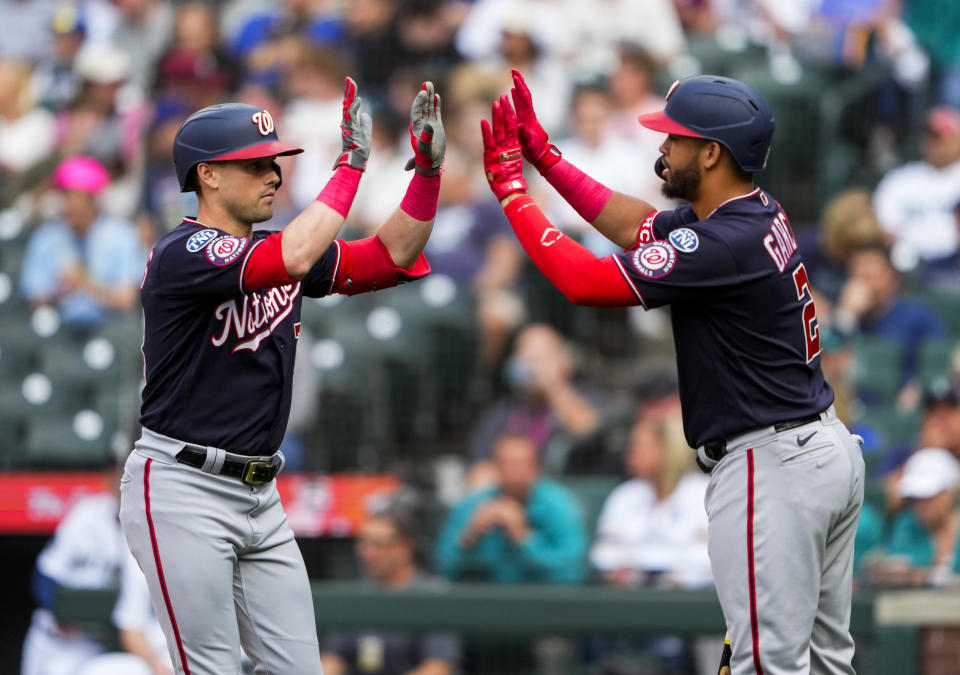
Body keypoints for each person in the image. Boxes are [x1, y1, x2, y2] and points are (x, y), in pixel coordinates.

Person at [481, 70, 864, 674]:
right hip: (816, 449)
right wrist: (546, 161)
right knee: (822, 664)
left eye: (675, 138)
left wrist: (511, 191)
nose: (662, 147)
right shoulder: (747, 213)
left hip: (774, 464)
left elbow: (584, 281)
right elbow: (637, 226)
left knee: (766, 666)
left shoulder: (724, 241)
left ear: (712, 153)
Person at [118, 77, 445, 674]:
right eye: (255, 165)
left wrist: (424, 176)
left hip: (260, 493)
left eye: (275, 162)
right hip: (183, 485)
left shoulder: (276, 245)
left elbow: (392, 255)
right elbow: (290, 258)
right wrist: (351, 165)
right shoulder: (182, 252)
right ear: (207, 175)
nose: (273, 174)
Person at [321, 506, 462, 675]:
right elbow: (333, 657)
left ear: (404, 548)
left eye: (378, 545)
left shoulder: (431, 595)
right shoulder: (357, 596)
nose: (368, 553)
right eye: (364, 544)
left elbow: (439, 667)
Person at [436, 434, 587, 583]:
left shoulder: (559, 505)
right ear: (494, 467)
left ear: (537, 468)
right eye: (506, 463)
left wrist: (524, 537)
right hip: (486, 600)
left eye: (521, 463)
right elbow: (444, 568)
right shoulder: (472, 506)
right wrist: (470, 536)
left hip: (543, 602)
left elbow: (573, 573)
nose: (514, 470)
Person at [591, 404, 712, 589]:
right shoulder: (625, 494)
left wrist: (676, 578)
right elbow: (603, 553)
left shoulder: (703, 493)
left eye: (638, 446)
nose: (630, 454)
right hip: (631, 598)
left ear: (667, 448)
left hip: (690, 600)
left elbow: (709, 558)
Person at [467, 323, 603, 485]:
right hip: (513, 495)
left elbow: (588, 431)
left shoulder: (587, 397)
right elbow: (479, 472)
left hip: (567, 492)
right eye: (524, 357)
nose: (530, 365)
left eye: (539, 358)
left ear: (565, 362)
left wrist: (554, 385)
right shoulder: (500, 413)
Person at [21, 466, 126, 675]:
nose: (120, 485)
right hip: (49, 637)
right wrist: (60, 612)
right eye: (117, 476)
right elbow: (44, 575)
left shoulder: (144, 526)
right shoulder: (88, 513)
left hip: (91, 644)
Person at [20, 155, 145, 324]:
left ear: (94, 199)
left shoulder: (121, 235)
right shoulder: (46, 236)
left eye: (76, 197)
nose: (68, 205)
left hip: (109, 329)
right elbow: (35, 298)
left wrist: (85, 284)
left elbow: (127, 300)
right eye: (64, 196)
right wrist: (59, 292)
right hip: (61, 329)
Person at [872, 105, 960, 263]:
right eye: (931, 137)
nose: (936, 144)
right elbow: (885, 228)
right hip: (906, 265)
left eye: (943, 137)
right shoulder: (900, 179)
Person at [868, 447, 960, 588]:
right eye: (915, 498)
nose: (921, 505)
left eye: (929, 496)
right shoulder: (905, 524)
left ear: (950, 491)